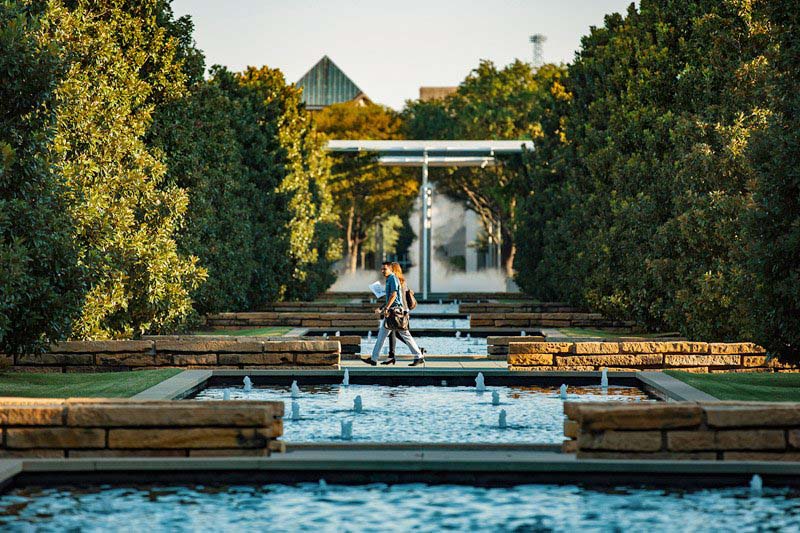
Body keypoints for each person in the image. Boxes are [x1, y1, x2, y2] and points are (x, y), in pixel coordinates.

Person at [362, 262, 425, 366]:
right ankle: (374, 359)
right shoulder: (389, 280)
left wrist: (386, 308)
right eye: (381, 269)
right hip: (392, 311)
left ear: (391, 269)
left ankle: (419, 355)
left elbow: (394, 294)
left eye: (385, 269)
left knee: (404, 334)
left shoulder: (392, 279)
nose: (382, 271)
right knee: (382, 335)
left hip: (396, 312)